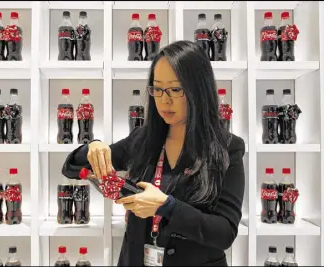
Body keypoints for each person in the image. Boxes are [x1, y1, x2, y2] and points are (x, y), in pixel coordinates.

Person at [61, 40, 245, 266]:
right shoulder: (143, 140)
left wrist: (168, 207)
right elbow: (72, 168)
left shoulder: (227, 148)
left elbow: (225, 232)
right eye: (157, 89)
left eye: (175, 89)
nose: (164, 100)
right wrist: (93, 147)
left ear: (198, 88)